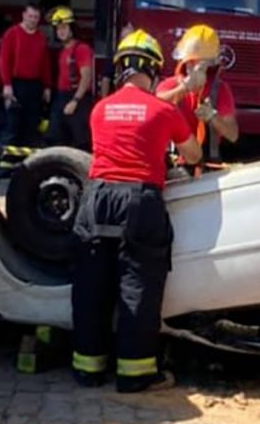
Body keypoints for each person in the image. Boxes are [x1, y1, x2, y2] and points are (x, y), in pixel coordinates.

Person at [70, 29, 202, 393]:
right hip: (139, 201)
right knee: (137, 285)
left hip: (97, 198)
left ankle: (88, 366)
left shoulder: (99, 110)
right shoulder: (163, 110)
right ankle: (136, 373)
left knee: (92, 285)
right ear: (154, 71)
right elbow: (194, 156)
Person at [156, 25, 239, 172]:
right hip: (174, 164)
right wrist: (183, 89)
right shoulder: (170, 85)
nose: (190, 67)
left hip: (208, 165)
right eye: (188, 62)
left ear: (210, 65)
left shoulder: (220, 90)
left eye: (196, 63)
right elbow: (152, 107)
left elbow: (233, 135)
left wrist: (212, 116)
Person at [0, 1, 51, 146]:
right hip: (16, 84)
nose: (32, 20)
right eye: (30, 16)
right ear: (23, 15)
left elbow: (45, 64)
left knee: (31, 124)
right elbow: (4, 60)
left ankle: (28, 164)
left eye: (36, 17)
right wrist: (7, 84)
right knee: (12, 124)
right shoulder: (11, 34)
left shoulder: (41, 38)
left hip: (35, 86)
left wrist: (47, 86)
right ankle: (5, 164)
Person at [46, 6, 95, 150]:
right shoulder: (63, 51)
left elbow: (86, 77)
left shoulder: (81, 49)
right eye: (58, 29)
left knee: (79, 140)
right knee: (55, 136)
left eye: (64, 28)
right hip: (61, 97)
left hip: (77, 99)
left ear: (72, 29)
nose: (61, 31)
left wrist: (75, 100)